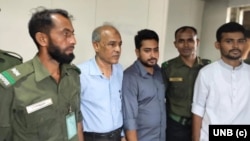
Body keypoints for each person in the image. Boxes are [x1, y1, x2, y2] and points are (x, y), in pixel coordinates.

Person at [0, 7, 83, 141]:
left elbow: (77, 120)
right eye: (66, 34)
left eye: (73, 34)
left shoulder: (72, 75)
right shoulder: (13, 85)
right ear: (42, 39)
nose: (73, 41)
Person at [191, 22, 250, 141]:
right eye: (229, 41)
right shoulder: (206, 73)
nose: (235, 45)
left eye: (240, 41)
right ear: (217, 45)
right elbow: (198, 111)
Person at [161, 26, 211, 141]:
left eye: (190, 40)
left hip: (202, 125)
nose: (186, 45)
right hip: (176, 126)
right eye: (181, 41)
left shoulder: (207, 67)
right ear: (175, 44)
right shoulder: (168, 68)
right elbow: (160, 98)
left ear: (197, 42)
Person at [77, 24, 124, 141]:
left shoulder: (120, 71)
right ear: (96, 46)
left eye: (119, 44)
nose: (118, 49)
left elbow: (120, 107)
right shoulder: (81, 74)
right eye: (112, 44)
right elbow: (73, 115)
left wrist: (122, 135)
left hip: (118, 135)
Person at [122, 29, 166, 141]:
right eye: (147, 50)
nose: (153, 55)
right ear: (137, 52)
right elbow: (129, 118)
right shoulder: (130, 77)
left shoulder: (159, 72)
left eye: (156, 50)